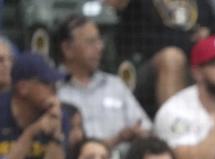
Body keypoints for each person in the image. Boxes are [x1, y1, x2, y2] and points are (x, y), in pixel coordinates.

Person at [55, 15, 151, 150]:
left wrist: (138, 133)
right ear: (67, 49)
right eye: (90, 42)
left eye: (99, 40)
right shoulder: (54, 89)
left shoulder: (115, 85)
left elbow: (145, 128)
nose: (99, 47)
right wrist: (118, 138)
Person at [107, 0, 215, 107]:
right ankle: (173, 122)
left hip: (194, 64)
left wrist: (208, 35)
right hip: (144, 65)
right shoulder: (140, 4)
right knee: (172, 58)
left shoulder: (201, 4)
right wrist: (189, 42)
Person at [0, 53, 83, 159]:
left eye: (56, 84)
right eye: (47, 83)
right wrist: (31, 133)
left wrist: (56, 135)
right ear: (23, 88)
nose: (54, 89)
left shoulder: (59, 115)